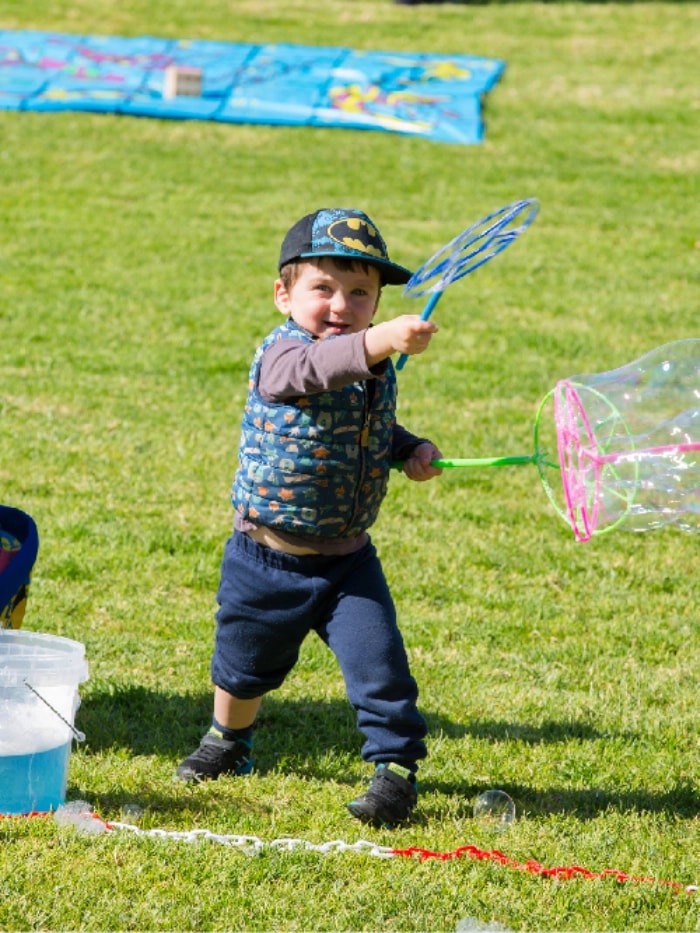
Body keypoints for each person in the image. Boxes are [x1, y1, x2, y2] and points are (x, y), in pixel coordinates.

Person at [177, 208, 442, 827]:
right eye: (322, 288)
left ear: (377, 300)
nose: (341, 305)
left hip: (348, 562)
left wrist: (408, 449)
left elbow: (367, 426)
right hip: (264, 557)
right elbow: (309, 376)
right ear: (284, 294)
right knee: (243, 666)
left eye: (360, 293)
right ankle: (228, 742)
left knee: (381, 669)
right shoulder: (284, 355)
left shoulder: (366, 365)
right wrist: (379, 342)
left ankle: (395, 774)